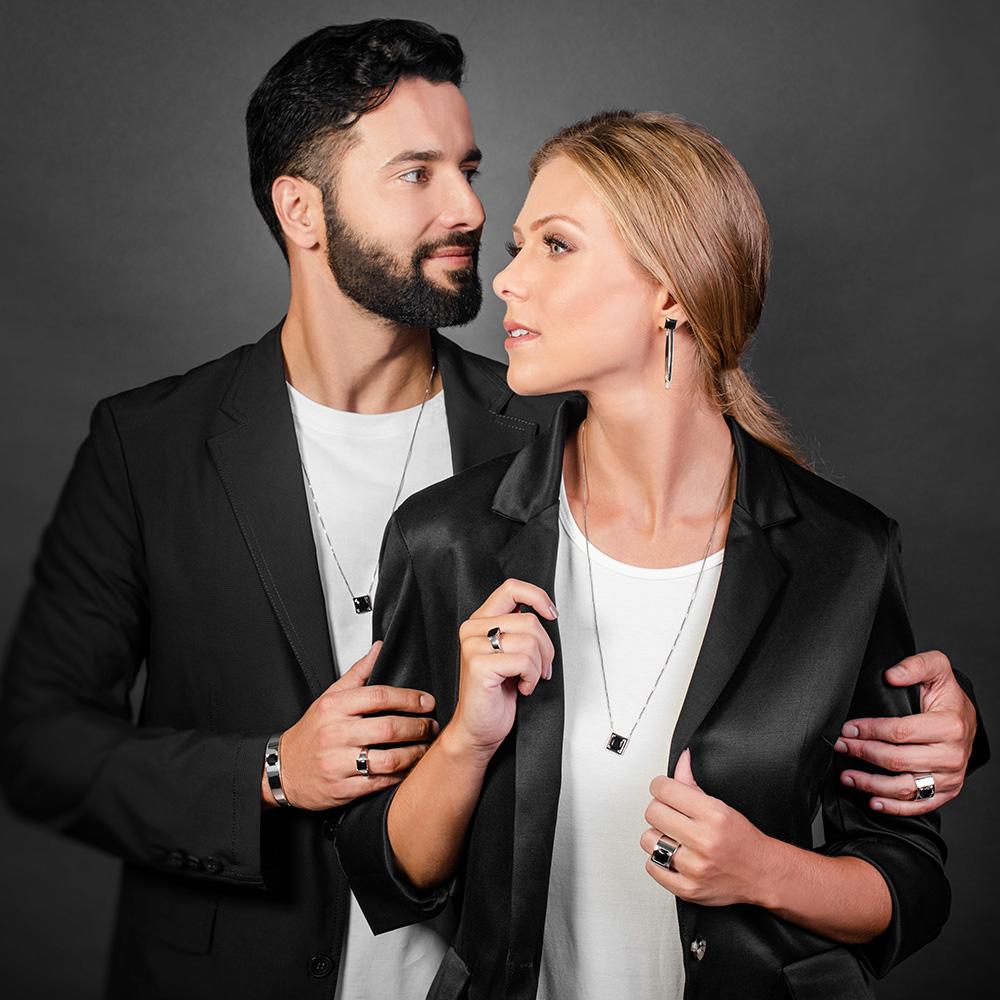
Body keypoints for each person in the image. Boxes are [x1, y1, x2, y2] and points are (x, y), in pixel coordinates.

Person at [0, 17, 985, 1000]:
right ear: (302, 209)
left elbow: (770, 596)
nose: (470, 208)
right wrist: (272, 769)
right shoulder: (150, 444)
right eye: (416, 173)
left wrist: (945, 728)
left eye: (469, 169)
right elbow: (40, 742)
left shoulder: (555, 425)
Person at [334, 111, 978, 1000]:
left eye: (557, 245)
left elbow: (912, 881)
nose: (507, 278)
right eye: (518, 246)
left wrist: (766, 872)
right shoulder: (446, 538)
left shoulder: (844, 557)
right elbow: (386, 871)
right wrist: (466, 743)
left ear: (672, 291)